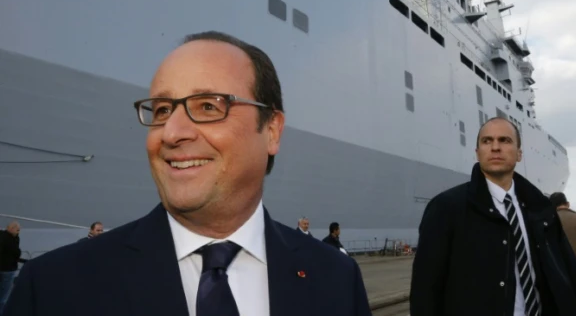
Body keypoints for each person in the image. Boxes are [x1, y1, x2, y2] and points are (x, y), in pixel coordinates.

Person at [4, 31, 371, 316]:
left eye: (209, 106)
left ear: (271, 130)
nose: (172, 132)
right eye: (162, 110)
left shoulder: (337, 279)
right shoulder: (52, 290)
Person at [410, 117, 576, 316]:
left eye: (505, 140)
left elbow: (571, 274)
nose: (495, 147)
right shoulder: (446, 208)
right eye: (487, 141)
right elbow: (425, 289)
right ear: (477, 153)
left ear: (519, 154)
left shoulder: (541, 210)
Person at [0, 222, 22, 314]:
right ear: (11, 229)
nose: (18, 231)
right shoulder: (12, 240)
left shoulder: (2, 235)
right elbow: (16, 253)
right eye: (17, 229)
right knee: (4, 296)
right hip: (7, 270)